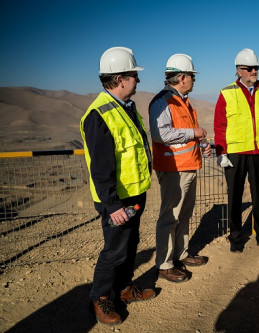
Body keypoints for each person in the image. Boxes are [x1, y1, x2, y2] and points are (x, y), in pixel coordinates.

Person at [80, 46, 155, 326]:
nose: (138, 81)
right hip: (117, 201)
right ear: (121, 78)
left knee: (130, 246)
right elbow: (99, 169)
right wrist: (112, 206)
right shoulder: (100, 114)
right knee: (113, 251)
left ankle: (124, 289)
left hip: (134, 194)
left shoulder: (126, 108)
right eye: (135, 76)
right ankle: (100, 298)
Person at [149, 54, 210, 283]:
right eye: (192, 75)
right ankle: (165, 265)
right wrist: (193, 134)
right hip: (173, 168)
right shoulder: (163, 101)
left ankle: (181, 254)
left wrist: (201, 144)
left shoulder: (183, 100)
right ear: (182, 77)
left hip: (188, 165)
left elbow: (186, 130)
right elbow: (160, 133)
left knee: (184, 214)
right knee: (170, 216)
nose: (194, 80)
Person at [214, 48, 259, 252]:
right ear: (239, 70)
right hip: (235, 154)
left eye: (256, 68)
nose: (254, 71)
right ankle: (235, 238)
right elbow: (220, 125)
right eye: (250, 68)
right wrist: (221, 152)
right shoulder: (226, 93)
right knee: (234, 196)